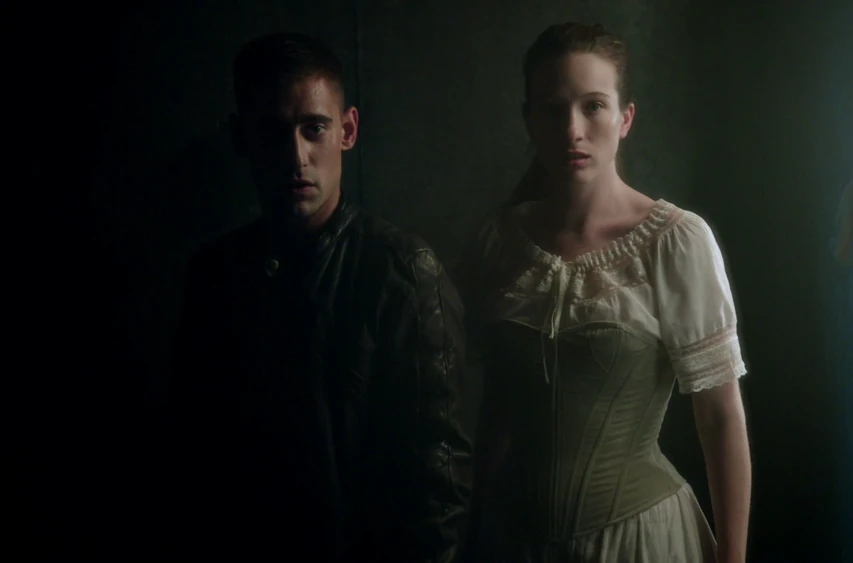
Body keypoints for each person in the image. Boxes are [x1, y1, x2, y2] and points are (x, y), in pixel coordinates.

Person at [168, 33, 472, 561]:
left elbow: (438, 485)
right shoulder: (214, 275)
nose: (297, 156)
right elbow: (195, 457)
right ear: (241, 137)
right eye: (272, 132)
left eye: (315, 128)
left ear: (347, 130)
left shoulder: (403, 272)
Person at [457, 23, 752, 563]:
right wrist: (475, 530)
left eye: (593, 106)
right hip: (513, 539)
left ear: (625, 118)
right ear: (529, 120)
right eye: (552, 110)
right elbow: (496, 408)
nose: (572, 129)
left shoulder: (674, 241)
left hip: (638, 540)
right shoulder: (498, 240)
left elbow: (720, 417)